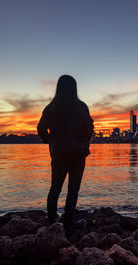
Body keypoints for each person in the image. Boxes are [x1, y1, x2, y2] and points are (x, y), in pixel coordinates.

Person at [37, 75, 94, 227]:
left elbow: (40, 128)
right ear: (74, 88)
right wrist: (85, 140)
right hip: (78, 154)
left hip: (59, 153)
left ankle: (51, 221)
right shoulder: (81, 107)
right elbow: (90, 127)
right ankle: (68, 220)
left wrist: (49, 139)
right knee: (73, 190)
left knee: (55, 188)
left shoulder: (51, 107)